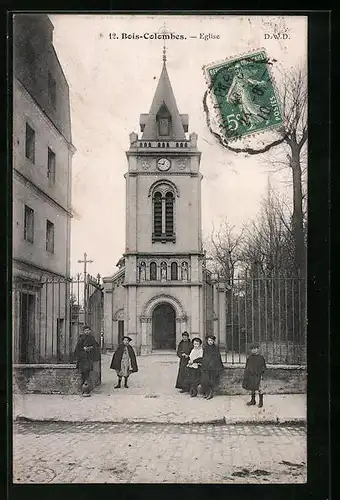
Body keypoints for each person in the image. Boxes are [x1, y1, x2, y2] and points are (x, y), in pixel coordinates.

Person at [73, 325, 100, 397]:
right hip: (82, 359)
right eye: (86, 330)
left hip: (89, 358)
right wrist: (84, 350)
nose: (87, 331)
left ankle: (86, 389)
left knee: (88, 372)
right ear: (83, 331)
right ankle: (82, 389)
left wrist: (91, 348)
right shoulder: (81, 338)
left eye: (88, 330)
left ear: (90, 331)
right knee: (83, 373)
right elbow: (77, 349)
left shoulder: (92, 338)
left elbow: (96, 346)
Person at [242, 342, 267, 407]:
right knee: (252, 388)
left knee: (260, 388)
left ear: (258, 349)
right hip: (251, 375)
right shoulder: (249, 357)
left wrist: (262, 375)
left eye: (255, 348)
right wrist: (246, 374)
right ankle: (253, 400)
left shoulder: (261, 358)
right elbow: (247, 366)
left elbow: (263, 367)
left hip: (258, 375)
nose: (254, 350)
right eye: (252, 349)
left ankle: (261, 402)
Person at [200, 335, 224, 400]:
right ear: (207, 341)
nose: (210, 342)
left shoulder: (216, 348)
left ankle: (211, 393)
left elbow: (217, 357)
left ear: (213, 341)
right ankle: (207, 392)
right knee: (205, 380)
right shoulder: (205, 348)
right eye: (209, 340)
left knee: (212, 380)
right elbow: (204, 357)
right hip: (206, 366)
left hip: (213, 366)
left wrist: (217, 365)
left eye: (211, 340)